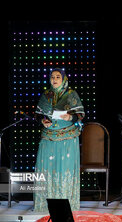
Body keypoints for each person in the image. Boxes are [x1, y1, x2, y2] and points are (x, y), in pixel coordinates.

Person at [33, 68, 85, 212]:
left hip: (67, 138)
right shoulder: (46, 95)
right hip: (48, 138)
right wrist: (43, 120)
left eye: (58, 77)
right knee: (47, 169)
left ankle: (66, 206)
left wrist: (70, 117)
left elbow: (80, 114)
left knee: (63, 170)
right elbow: (38, 115)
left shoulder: (71, 94)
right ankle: (44, 206)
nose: (54, 79)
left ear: (63, 79)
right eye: (52, 77)